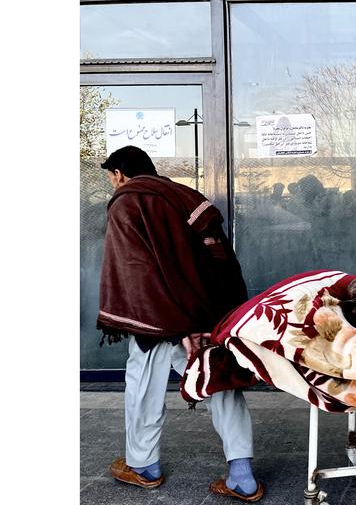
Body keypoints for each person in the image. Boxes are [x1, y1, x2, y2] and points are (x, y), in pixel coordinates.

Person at [97, 146, 264, 501]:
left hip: (155, 319)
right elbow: (219, 258)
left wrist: (168, 317)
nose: (113, 183)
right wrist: (211, 315)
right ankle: (242, 475)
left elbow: (134, 272)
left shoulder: (127, 201)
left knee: (143, 386)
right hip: (204, 314)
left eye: (111, 177)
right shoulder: (189, 196)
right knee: (219, 384)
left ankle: (143, 466)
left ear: (119, 174)